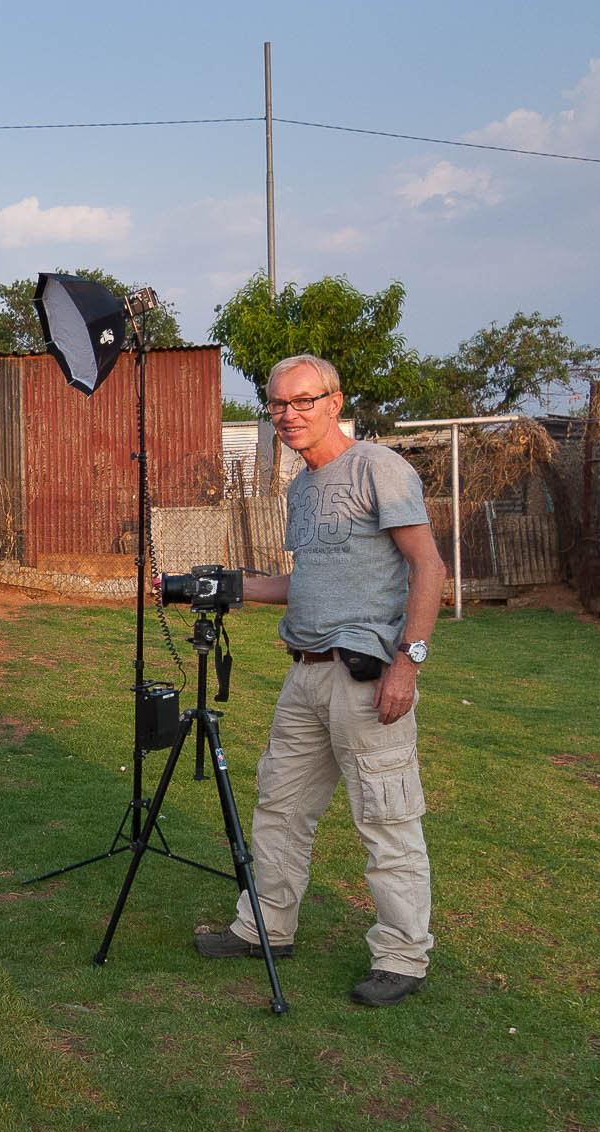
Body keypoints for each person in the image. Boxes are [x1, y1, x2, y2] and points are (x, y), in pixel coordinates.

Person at [192, 354, 447, 1007]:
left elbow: (428, 566)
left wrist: (407, 663)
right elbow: (303, 581)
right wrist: (225, 586)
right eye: (278, 404)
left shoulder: (377, 468)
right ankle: (265, 928)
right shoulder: (302, 488)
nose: (289, 414)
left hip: (366, 676)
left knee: (385, 817)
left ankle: (402, 957)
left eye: (303, 401)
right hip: (304, 674)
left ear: (334, 402)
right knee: (280, 805)